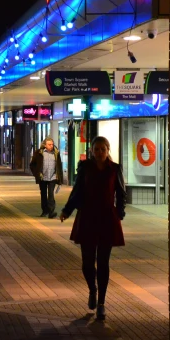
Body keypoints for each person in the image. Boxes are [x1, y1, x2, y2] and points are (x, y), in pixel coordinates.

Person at [59, 136, 126, 321]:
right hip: (87, 217)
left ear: (108, 150)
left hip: (107, 219)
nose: (99, 152)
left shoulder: (115, 169)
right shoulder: (85, 168)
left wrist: (120, 213)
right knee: (88, 263)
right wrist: (67, 210)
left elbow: (121, 192)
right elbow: (77, 191)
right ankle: (92, 290)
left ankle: (102, 303)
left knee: (103, 262)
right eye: (96, 149)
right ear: (91, 151)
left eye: (102, 149)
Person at [29, 137, 63, 219]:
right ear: (45, 145)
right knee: (43, 194)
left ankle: (51, 212)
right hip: (43, 177)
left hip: (53, 177)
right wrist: (36, 173)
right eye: (49, 144)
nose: (51, 146)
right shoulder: (39, 153)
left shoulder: (56, 153)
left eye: (52, 144)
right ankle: (45, 211)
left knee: (51, 194)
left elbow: (59, 165)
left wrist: (60, 178)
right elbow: (32, 164)